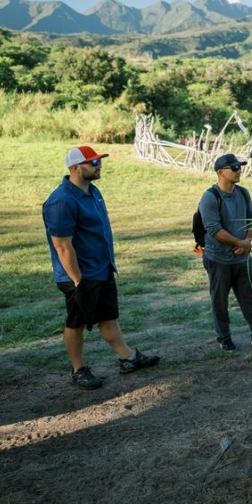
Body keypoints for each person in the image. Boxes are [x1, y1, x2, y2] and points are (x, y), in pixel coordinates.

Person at [42, 146, 161, 390]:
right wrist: (77, 281)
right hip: (78, 275)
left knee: (109, 317)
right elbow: (63, 247)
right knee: (76, 322)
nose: (99, 165)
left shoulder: (93, 192)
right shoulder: (61, 201)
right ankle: (78, 370)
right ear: (75, 167)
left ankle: (128, 358)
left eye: (98, 161)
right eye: (93, 162)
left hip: (102, 268)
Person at [200, 153, 252, 351]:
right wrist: (240, 242)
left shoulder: (243, 193)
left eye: (240, 167)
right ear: (221, 172)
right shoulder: (210, 197)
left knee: (250, 296)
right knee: (220, 300)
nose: (239, 170)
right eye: (235, 168)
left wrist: (247, 242)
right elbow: (214, 230)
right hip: (219, 258)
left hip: (243, 256)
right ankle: (224, 337)